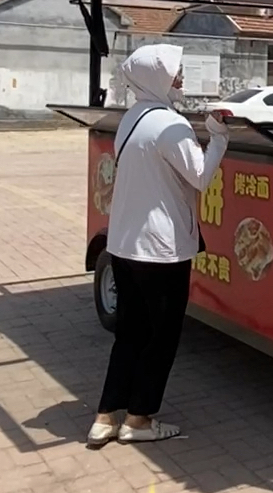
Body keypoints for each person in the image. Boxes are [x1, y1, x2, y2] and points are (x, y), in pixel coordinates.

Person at [87, 43, 229, 446]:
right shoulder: (170, 125)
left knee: (130, 333)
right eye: (174, 73)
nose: (181, 78)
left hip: (125, 246)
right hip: (162, 251)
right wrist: (218, 138)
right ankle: (139, 420)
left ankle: (104, 416)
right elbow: (200, 177)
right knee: (161, 337)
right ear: (156, 79)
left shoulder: (132, 119)